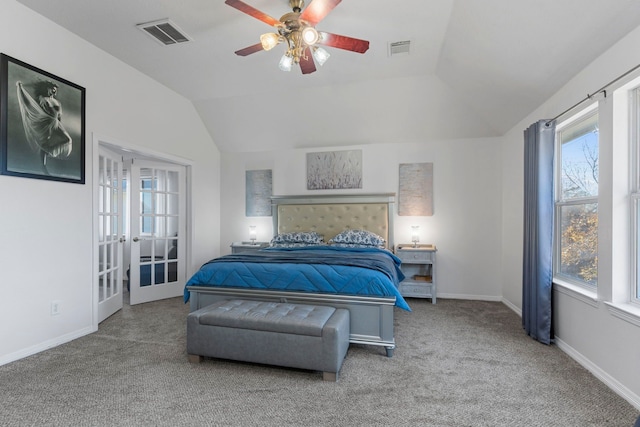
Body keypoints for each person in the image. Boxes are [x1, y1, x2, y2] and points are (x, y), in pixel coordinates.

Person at [16, 79, 72, 174]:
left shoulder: (57, 102)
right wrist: (20, 88)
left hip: (55, 124)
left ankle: (48, 151)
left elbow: (59, 116)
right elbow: (31, 104)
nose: (54, 91)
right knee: (44, 143)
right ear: (47, 89)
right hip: (45, 123)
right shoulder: (42, 99)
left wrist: (59, 125)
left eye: (55, 90)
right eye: (53, 89)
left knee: (67, 140)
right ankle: (43, 166)